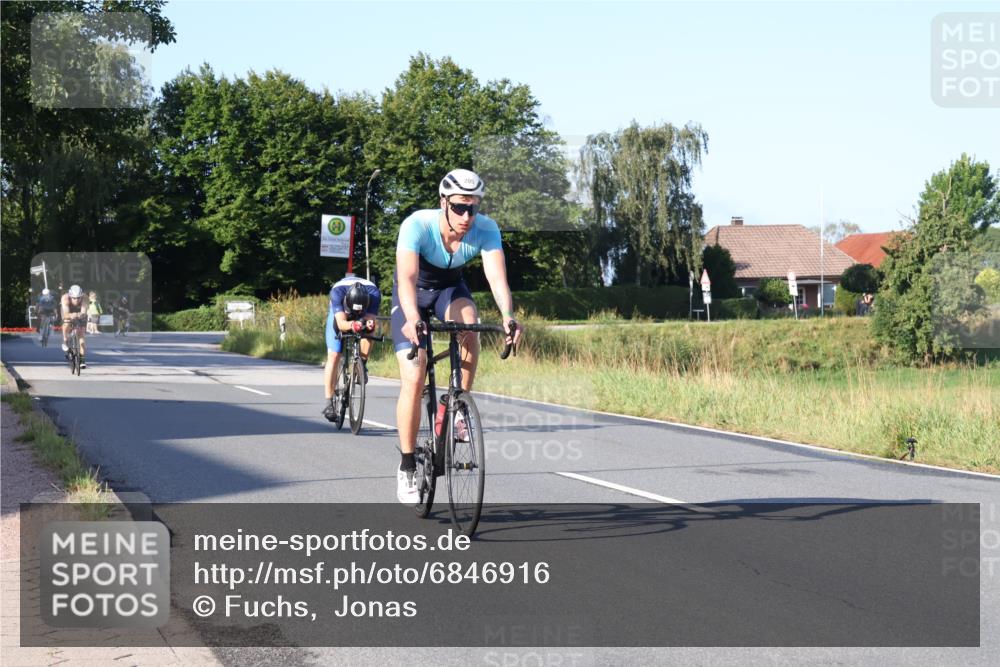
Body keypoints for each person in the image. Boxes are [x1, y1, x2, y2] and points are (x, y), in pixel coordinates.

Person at [391, 168, 522, 504]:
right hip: (412, 294)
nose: (467, 216)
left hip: (449, 290)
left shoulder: (486, 229)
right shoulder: (417, 224)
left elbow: (496, 279)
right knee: (415, 374)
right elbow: (406, 278)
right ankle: (406, 465)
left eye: (473, 208)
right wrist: (411, 318)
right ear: (443, 202)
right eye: (460, 207)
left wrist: (508, 317)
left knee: (469, 321)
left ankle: (457, 404)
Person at [322, 275, 382, 421]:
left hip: (364, 306)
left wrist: (368, 324)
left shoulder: (374, 294)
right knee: (334, 355)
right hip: (341, 314)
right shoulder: (337, 293)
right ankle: (329, 402)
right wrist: (351, 325)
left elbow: (370, 321)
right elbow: (342, 323)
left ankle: (361, 365)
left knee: (370, 330)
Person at [60, 285, 89, 368]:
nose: (76, 300)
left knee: (81, 337)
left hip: (80, 312)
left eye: (78, 298)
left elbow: (83, 313)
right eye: (74, 298)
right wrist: (71, 315)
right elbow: (66, 313)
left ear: (81, 296)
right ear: (70, 296)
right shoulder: (65, 298)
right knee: (66, 322)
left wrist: (79, 315)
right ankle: (65, 339)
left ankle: (82, 360)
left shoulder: (85, 298)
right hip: (68, 311)